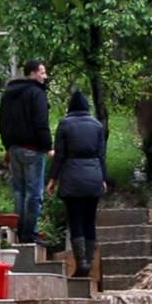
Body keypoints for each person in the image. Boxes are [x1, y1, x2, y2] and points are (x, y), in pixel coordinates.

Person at [46, 90, 107, 278]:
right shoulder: (97, 125)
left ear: (71, 107)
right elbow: (102, 155)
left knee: (75, 219)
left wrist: (52, 179)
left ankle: (81, 261)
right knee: (90, 219)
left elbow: (60, 156)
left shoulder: (65, 124)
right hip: (93, 176)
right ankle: (89, 259)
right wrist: (103, 178)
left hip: (72, 177)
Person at [0, 59, 53, 243]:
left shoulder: (9, 94)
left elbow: (2, 121)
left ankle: (19, 230)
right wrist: (47, 146)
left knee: (19, 191)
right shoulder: (36, 93)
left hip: (14, 149)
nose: (45, 77)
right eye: (42, 72)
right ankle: (29, 233)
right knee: (34, 193)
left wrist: (8, 146)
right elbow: (40, 122)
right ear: (33, 73)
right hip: (33, 149)